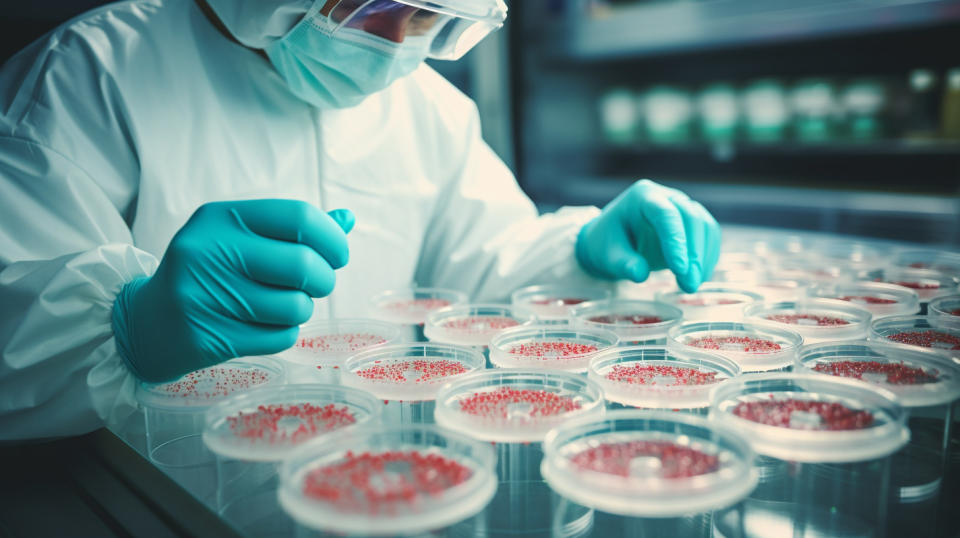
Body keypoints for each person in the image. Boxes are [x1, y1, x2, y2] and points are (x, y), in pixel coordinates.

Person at [0, 0, 720, 441]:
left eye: (434, 19)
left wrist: (583, 252)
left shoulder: (431, 110)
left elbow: (481, 266)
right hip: (165, 492)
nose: (400, 44)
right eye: (379, 6)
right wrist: (130, 328)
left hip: (379, 478)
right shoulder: (93, 73)